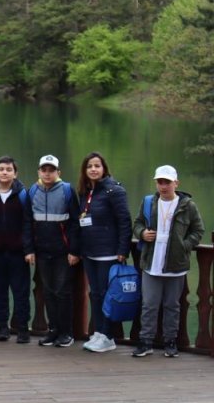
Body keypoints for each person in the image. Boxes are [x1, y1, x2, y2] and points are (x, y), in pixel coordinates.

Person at [132, 165, 204, 358]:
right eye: (160, 182)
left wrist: (185, 245)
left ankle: (170, 342)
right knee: (149, 304)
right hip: (151, 263)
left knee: (172, 305)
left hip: (176, 265)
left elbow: (198, 231)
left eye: (167, 182)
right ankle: (146, 341)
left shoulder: (187, 205)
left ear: (176, 183)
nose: (163, 186)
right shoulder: (148, 202)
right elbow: (137, 223)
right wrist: (142, 233)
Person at [77, 151, 132, 353]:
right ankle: (99, 332)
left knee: (107, 294)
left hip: (109, 253)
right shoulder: (86, 192)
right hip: (89, 252)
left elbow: (125, 221)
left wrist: (122, 250)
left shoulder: (114, 191)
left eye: (97, 166)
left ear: (104, 169)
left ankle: (108, 336)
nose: (93, 169)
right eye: (89, 166)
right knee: (96, 294)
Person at [25, 154, 80, 348]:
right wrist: (29, 249)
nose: (47, 174)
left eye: (51, 170)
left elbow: (75, 222)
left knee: (63, 292)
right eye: (44, 170)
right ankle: (53, 330)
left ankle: (66, 333)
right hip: (42, 251)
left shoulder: (67, 190)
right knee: (48, 292)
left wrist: (74, 250)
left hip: (63, 252)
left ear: (58, 172)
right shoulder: (32, 191)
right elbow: (27, 223)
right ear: (39, 172)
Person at [0, 156, 31, 343]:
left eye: (9, 169)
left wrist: (27, 248)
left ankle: (23, 329)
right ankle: (2, 327)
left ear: (15, 173)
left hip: (18, 252)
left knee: (21, 292)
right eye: (1, 169)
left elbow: (28, 222)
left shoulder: (23, 194)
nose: (5, 172)